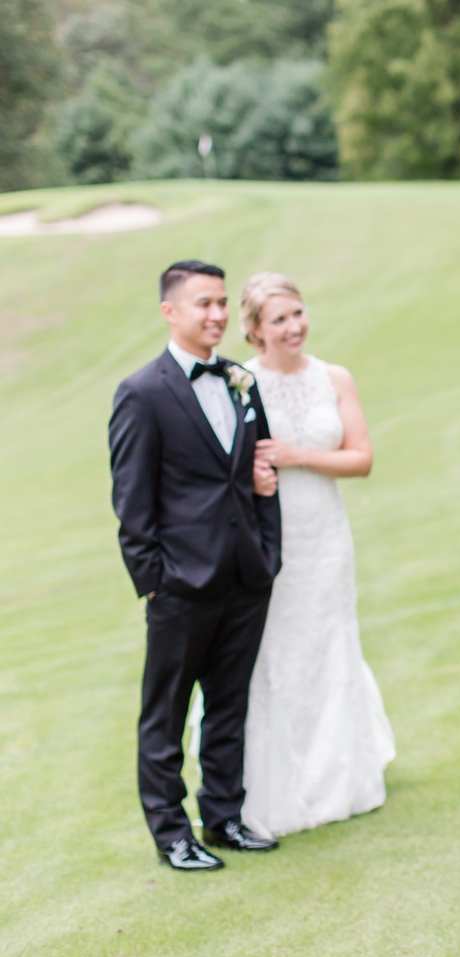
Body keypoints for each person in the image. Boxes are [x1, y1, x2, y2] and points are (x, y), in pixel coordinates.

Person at [109, 260, 282, 871]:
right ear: (170, 312)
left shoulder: (240, 378)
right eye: (202, 303)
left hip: (246, 577)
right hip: (180, 585)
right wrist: (155, 583)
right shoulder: (142, 393)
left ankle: (225, 817)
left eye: (220, 303)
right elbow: (132, 503)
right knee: (167, 713)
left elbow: (261, 473)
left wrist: (268, 555)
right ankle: (171, 834)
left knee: (228, 707)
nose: (215, 315)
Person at [238, 273, 395, 838]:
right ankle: (276, 786)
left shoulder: (335, 377)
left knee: (330, 640)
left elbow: (361, 458)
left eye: (298, 313)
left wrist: (297, 455)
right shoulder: (241, 382)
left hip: (325, 533)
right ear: (256, 330)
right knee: (277, 651)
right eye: (279, 319)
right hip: (270, 535)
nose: (294, 326)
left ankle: (342, 777)